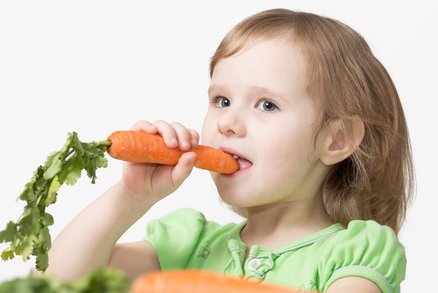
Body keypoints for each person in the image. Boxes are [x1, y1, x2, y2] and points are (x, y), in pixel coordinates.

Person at [45, 8, 414, 293]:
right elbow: (59, 281)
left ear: (336, 139)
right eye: (221, 100)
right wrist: (131, 197)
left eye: (266, 105)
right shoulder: (189, 244)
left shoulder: (355, 252)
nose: (227, 123)